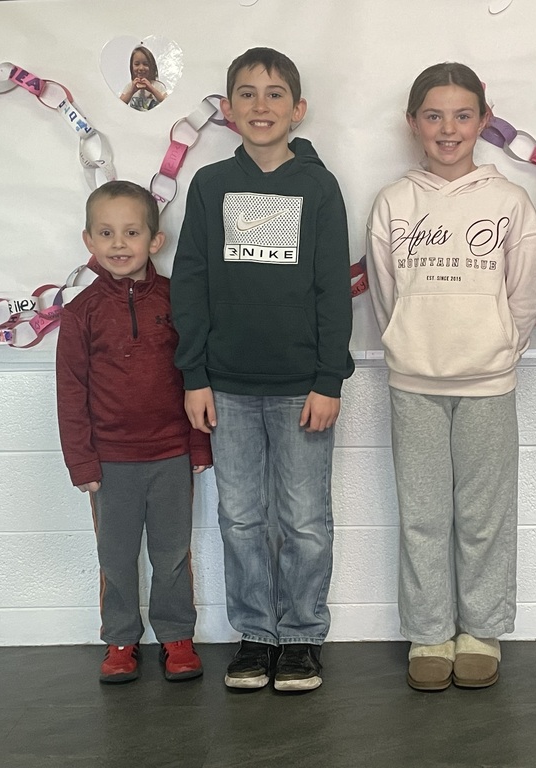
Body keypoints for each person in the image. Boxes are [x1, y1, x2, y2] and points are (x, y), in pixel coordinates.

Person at [171, 47, 353, 693]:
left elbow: (333, 288)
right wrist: (194, 374)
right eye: (246, 94)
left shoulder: (319, 187)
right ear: (227, 109)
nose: (261, 105)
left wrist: (329, 378)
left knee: (304, 520)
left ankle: (301, 636)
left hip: (302, 388)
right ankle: (255, 634)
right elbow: (188, 282)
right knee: (241, 518)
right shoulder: (211, 185)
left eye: (275, 94)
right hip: (227, 389)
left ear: (298, 109)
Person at [365, 62, 536, 692]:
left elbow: (524, 296)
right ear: (413, 123)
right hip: (413, 381)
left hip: (488, 384)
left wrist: (499, 348)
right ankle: (429, 631)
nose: (448, 129)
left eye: (462, 115)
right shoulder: (394, 202)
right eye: (434, 116)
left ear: (484, 122)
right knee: (421, 513)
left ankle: (482, 630)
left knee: (483, 514)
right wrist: (405, 344)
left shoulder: (509, 202)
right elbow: (386, 297)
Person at [56, 180, 212, 684]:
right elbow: (71, 395)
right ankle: (121, 639)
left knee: (171, 555)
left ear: (155, 241)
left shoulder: (177, 301)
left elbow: (196, 376)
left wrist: (198, 444)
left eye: (131, 232)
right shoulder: (80, 314)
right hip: (111, 464)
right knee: (117, 558)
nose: (119, 244)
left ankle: (175, 637)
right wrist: (82, 461)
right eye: (106, 233)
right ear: (89, 241)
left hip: (170, 456)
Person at [119, 45, 167, 111]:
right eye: (137, 64)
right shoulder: (129, 87)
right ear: (131, 66)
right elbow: (119, 105)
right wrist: (131, 92)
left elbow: (167, 104)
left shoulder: (158, 86)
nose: (141, 68)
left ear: (152, 66)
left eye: (145, 64)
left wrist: (152, 89)